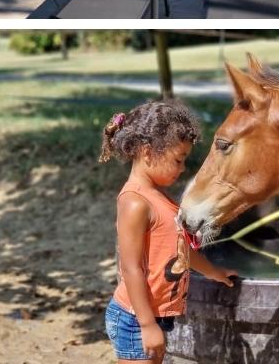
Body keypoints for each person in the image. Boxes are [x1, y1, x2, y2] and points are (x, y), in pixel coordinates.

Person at [100, 101, 236, 364]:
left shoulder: (159, 198)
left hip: (153, 315)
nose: (183, 168)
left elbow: (180, 248)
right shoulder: (135, 202)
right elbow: (130, 268)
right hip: (134, 318)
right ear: (147, 151)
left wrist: (213, 272)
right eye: (178, 159)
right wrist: (147, 325)